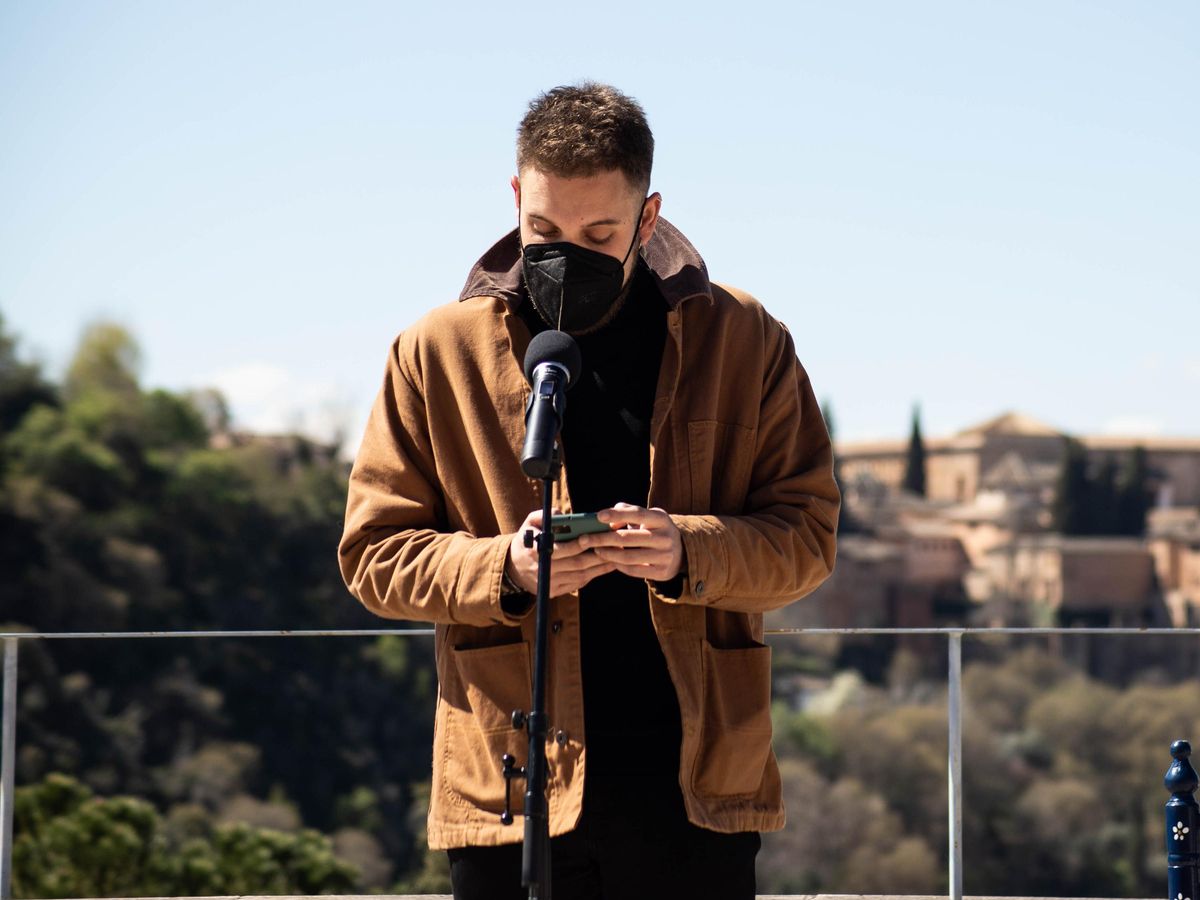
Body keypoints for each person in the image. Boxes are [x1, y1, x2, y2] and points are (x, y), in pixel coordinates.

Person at [337, 83, 839, 899]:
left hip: (696, 792)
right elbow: (372, 556)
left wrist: (688, 550)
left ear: (649, 215)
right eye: (543, 230)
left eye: (599, 232)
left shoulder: (745, 340)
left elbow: (809, 539)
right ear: (514, 197)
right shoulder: (434, 352)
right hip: (509, 789)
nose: (566, 253)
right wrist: (505, 569)